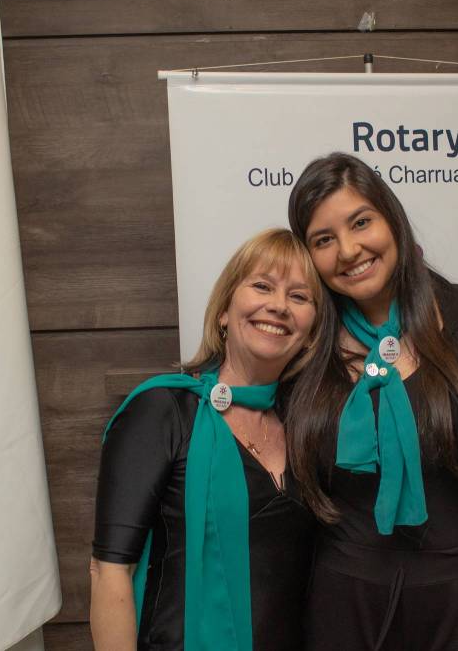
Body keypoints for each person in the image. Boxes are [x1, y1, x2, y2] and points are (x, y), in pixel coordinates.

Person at [286, 153, 458, 651]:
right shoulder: (304, 350)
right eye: (323, 240)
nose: (348, 250)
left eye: (361, 222)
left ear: (391, 219)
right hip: (344, 611)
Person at [90, 228, 327, 651]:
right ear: (223, 312)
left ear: (311, 331)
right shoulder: (163, 409)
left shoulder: (308, 428)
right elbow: (109, 571)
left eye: (299, 296)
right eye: (262, 286)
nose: (278, 305)